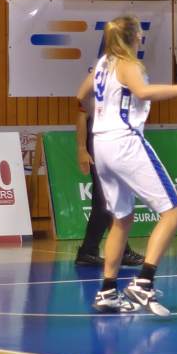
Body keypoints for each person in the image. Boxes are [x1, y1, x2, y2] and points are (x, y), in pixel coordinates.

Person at [75, 15, 177, 316]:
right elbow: (143, 92)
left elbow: (81, 95)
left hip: (100, 143)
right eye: (139, 33)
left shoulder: (102, 65)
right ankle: (144, 282)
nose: (142, 37)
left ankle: (107, 292)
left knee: (121, 219)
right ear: (131, 37)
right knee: (174, 212)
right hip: (124, 140)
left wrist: (101, 112)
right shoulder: (128, 65)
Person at [74, 92, 144, 268]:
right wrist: (82, 149)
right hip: (98, 144)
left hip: (116, 144)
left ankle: (94, 251)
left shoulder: (127, 88)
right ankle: (98, 251)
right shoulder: (97, 84)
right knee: (104, 199)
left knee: (108, 199)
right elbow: (81, 116)